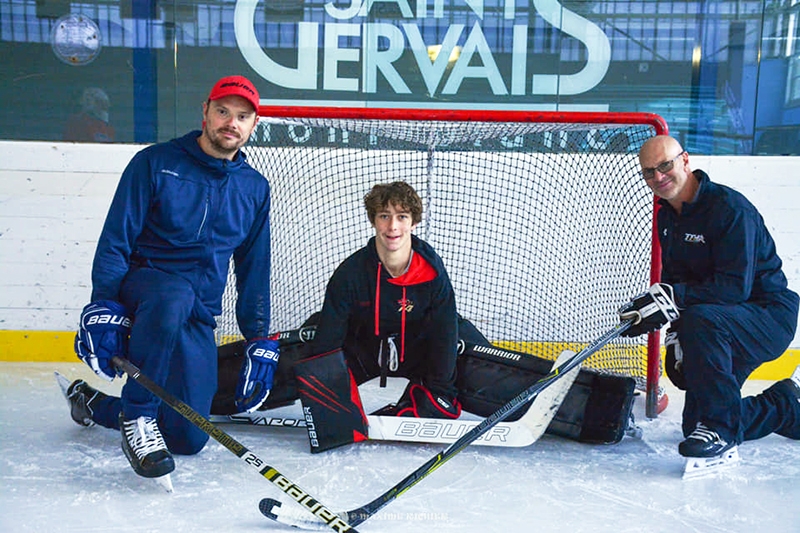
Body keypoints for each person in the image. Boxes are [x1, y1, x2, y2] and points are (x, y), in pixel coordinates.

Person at [60, 75, 280, 485]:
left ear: (253, 125)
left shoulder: (254, 188)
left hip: (197, 311)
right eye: (222, 111)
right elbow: (115, 241)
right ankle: (139, 417)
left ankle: (94, 403)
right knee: (173, 293)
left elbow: (255, 268)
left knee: (187, 436)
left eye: (242, 116)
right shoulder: (155, 162)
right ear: (205, 112)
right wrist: (102, 305)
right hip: (145, 291)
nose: (230, 123)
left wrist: (258, 339)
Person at [630, 134, 800, 464]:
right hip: (717, 325)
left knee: (701, 320)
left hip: (767, 317)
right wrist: (672, 334)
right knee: (695, 425)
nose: (658, 178)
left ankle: (722, 429)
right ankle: (784, 407)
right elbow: (675, 280)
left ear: (685, 160)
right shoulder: (667, 215)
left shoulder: (729, 210)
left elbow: (734, 289)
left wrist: (675, 300)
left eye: (665, 165)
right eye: (648, 172)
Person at [309, 181, 462, 419]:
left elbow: (444, 332)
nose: (392, 226)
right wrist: (326, 399)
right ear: (373, 220)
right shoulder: (350, 273)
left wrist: (439, 393)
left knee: (466, 349)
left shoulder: (432, 271)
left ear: (414, 222)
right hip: (366, 353)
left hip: (417, 353)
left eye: (402, 216)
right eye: (384, 216)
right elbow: (329, 339)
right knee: (306, 343)